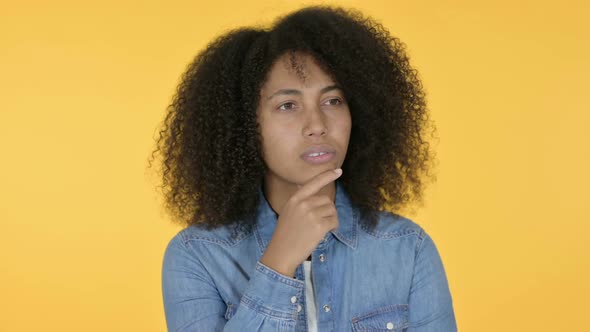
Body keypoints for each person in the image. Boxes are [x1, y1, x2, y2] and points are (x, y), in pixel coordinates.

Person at [151, 5, 457, 331]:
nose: (317, 125)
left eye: (332, 101)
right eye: (288, 105)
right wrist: (279, 262)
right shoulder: (198, 257)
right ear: (244, 125)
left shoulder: (407, 249)